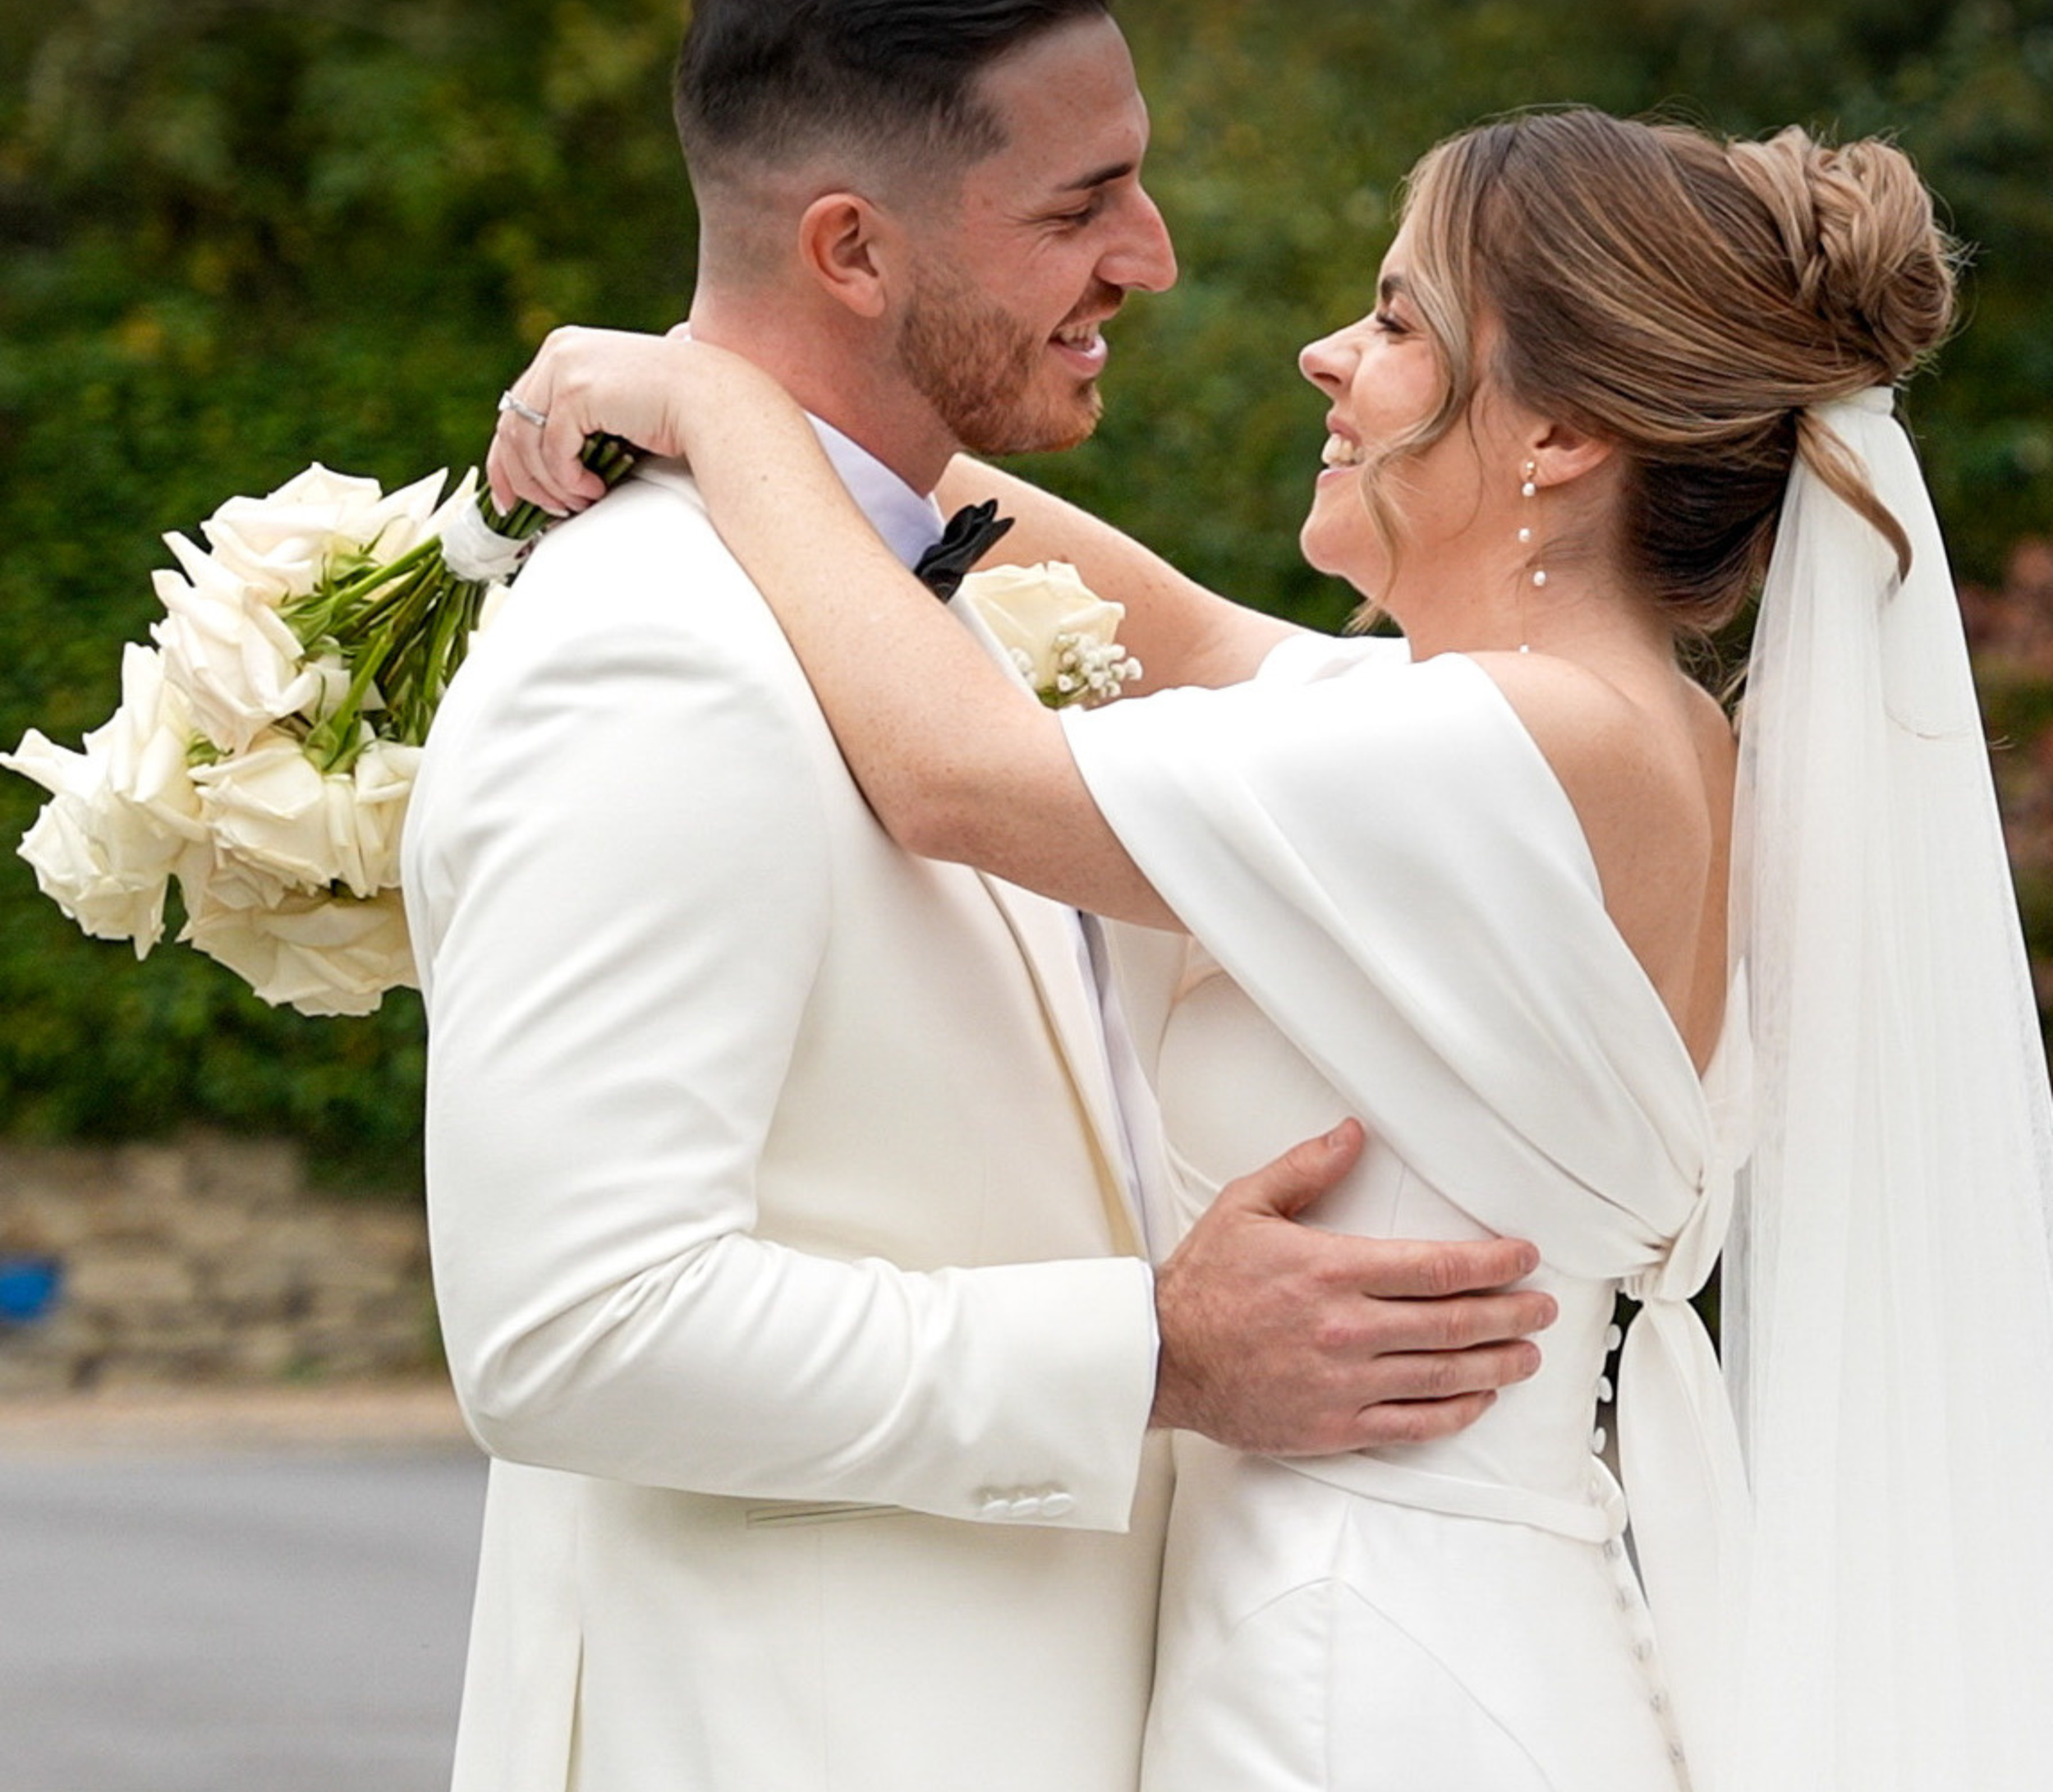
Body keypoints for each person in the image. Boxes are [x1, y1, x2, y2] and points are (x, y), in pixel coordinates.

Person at [494, 104, 2053, 1792]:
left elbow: (960, 776)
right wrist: (778, 396)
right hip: (1474, 1614)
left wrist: (718, 408)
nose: (1327, 353)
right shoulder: (1606, 737)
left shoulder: (1507, 748)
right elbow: (1174, 628)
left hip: (1355, 1665)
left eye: (1394, 319)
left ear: (1560, 433)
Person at [403, 0, 1555, 1792]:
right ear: (850, 248)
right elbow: (569, 1328)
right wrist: (1153, 1356)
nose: (1154, 259)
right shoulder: (649, 656)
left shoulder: (895, 600)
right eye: (1079, 203)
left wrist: (708, 394)